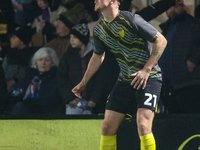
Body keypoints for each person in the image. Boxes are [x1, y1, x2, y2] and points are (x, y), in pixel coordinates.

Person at [72, 0, 167, 150]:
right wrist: (84, 81)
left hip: (149, 78)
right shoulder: (99, 29)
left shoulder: (132, 20)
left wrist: (146, 70)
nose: (95, 0)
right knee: (107, 126)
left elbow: (161, 41)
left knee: (143, 125)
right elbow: (98, 56)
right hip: (125, 80)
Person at [57, 24, 116, 114]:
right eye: (70, 37)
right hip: (73, 104)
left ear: (82, 38)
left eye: (75, 37)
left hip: (94, 104)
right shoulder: (68, 56)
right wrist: (70, 98)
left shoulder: (98, 55)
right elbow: (62, 79)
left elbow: (102, 78)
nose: (71, 40)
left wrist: (94, 99)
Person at [159, 0, 200, 113]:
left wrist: (193, 61)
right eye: (169, 6)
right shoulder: (166, 28)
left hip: (189, 85)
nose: (172, 9)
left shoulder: (193, 24)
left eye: (175, 6)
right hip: (170, 88)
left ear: (182, 5)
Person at [10, 47, 61, 115]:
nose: (43, 63)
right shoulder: (28, 76)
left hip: (43, 112)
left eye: (47, 60)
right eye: (40, 60)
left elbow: (51, 100)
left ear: (53, 63)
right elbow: (16, 91)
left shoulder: (56, 79)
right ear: (36, 62)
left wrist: (27, 102)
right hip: (23, 108)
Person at [2, 25, 37, 90]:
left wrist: (14, 81)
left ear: (22, 41)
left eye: (14, 37)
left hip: (20, 87)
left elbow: (29, 75)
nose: (10, 39)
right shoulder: (9, 54)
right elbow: (2, 71)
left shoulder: (31, 56)